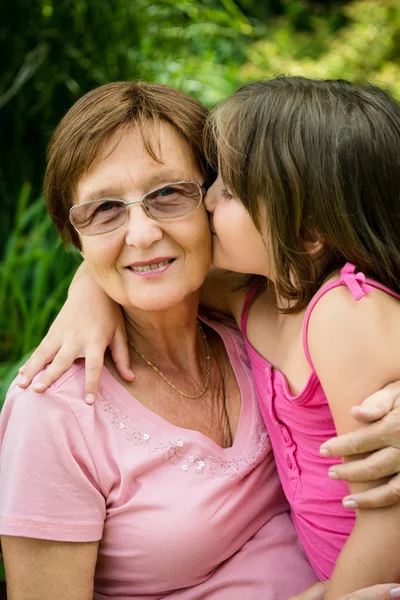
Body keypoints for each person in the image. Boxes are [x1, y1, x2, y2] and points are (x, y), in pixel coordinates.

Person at [6, 79, 400, 600]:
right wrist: (92, 287)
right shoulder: (56, 412)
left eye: (169, 194)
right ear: (74, 236)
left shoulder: (256, 312)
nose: (142, 233)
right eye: (103, 211)